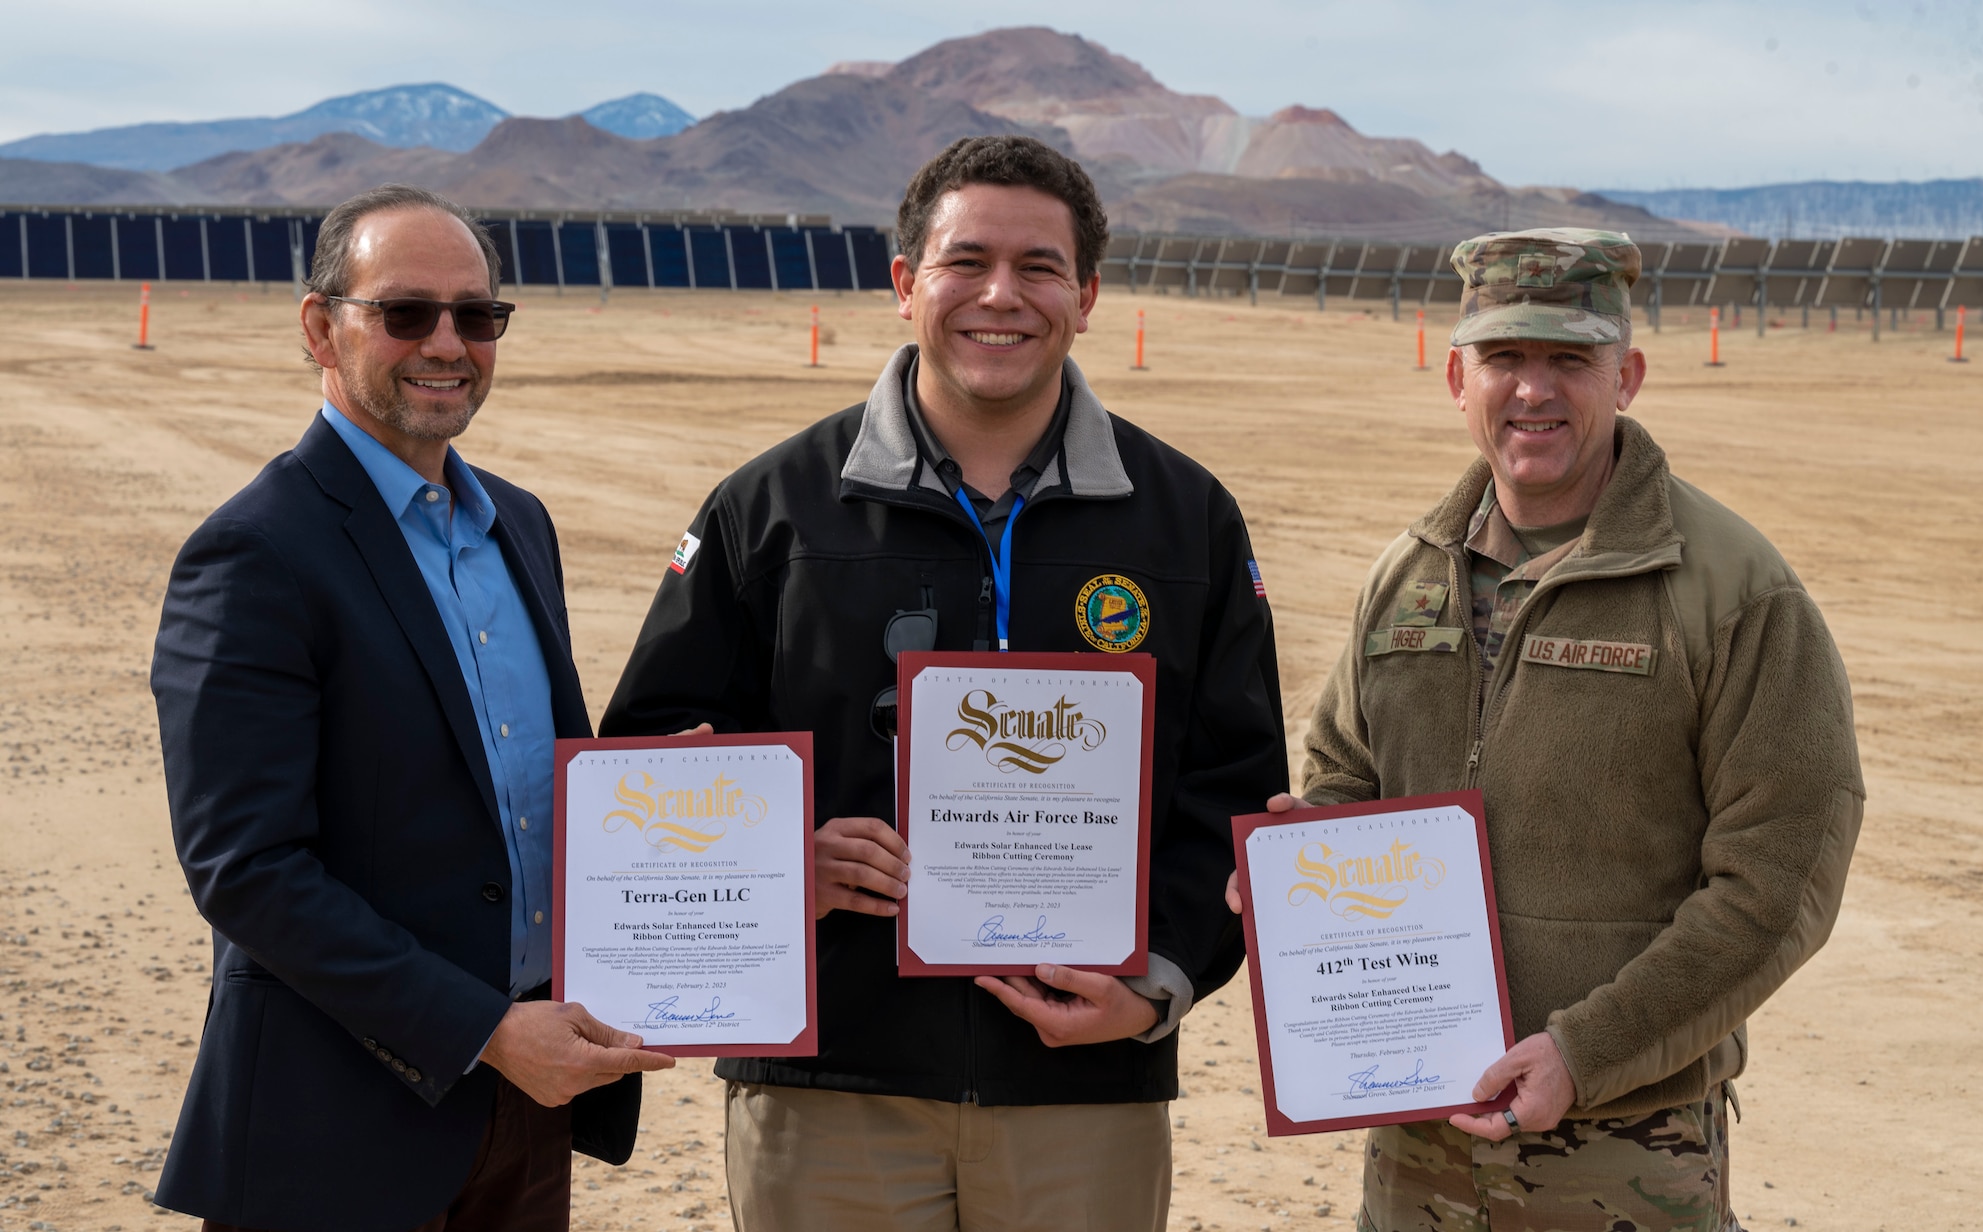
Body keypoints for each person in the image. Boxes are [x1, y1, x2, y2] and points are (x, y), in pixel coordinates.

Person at [600, 135, 1289, 1231]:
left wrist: (1151, 982)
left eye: (1039, 266)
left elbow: (1233, 787)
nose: (999, 296)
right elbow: (648, 763)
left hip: (1081, 1093)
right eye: (964, 261)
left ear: (1088, 294)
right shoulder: (771, 507)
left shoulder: (1184, 517)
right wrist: (778, 861)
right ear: (904, 283)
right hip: (828, 1087)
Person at [1229, 228, 1864, 1231]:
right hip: (1414, 1137)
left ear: (1628, 375)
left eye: (1569, 359)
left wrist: (1585, 1049)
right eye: (1503, 358)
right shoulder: (1406, 574)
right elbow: (1345, 781)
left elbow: (1780, 877)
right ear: (1454, 375)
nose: (1532, 391)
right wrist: (1291, 868)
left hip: (1624, 1149)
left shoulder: (1731, 590)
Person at [150, 184, 672, 1232]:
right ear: (320, 327)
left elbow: (525, 800)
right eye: (404, 313)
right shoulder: (255, 551)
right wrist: (480, 1027)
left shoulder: (518, 526)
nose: (448, 342)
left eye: (476, 315)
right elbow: (244, 868)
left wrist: (693, 813)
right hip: (339, 1124)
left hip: (528, 1106)